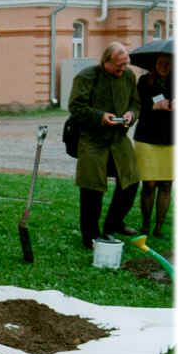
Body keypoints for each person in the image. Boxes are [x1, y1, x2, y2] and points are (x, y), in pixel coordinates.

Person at [68, 41, 141, 249]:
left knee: (131, 181)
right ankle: (90, 235)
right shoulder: (87, 76)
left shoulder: (128, 76)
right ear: (105, 62)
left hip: (118, 139)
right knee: (92, 188)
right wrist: (100, 116)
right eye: (118, 65)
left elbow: (136, 103)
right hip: (92, 140)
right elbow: (75, 106)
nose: (122, 69)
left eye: (125, 64)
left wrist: (131, 114)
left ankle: (114, 223)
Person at [134, 53, 174, 238]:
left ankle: (159, 228)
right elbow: (137, 106)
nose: (164, 66)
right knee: (149, 183)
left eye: (168, 63)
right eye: (160, 63)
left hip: (172, 138)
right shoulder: (144, 81)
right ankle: (145, 225)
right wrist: (154, 106)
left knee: (166, 184)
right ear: (154, 64)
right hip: (147, 137)